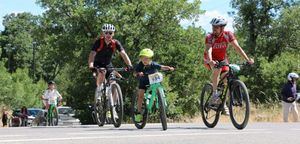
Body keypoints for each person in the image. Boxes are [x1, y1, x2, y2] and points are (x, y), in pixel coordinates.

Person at [203, 17, 254, 113]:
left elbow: (237, 47)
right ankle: (214, 95)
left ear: (222, 28)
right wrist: (210, 61)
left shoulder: (228, 35)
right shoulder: (209, 37)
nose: (214, 29)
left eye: (216, 27)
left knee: (227, 80)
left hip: (222, 59)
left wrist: (247, 59)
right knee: (217, 69)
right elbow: (208, 50)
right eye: (213, 27)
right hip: (210, 59)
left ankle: (223, 103)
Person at [134, 48, 174, 122]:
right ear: (140, 58)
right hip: (143, 82)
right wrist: (138, 73)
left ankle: (161, 100)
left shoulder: (153, 64)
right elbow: (134, 73)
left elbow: (161, 67)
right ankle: (139, 113)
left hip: (153, 81)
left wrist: (168, 68)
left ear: (150, 59)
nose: (145, 60)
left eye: (146, 59)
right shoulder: (139, 65)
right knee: (140, 96)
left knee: (159, 87)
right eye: (143, 58)